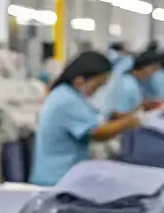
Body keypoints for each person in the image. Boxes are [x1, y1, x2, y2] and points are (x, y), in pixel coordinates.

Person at [30, 51, 142, 186]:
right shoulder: (67, 100)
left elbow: (95, 117)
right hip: (57, 179)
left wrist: (117, 117)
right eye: (98, 85)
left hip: (61, 174)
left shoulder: (67, 94)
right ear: (79, 81)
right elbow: (97, 133)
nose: (98, 90)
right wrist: (126, 123)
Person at [109, 49, 162, 115]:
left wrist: (143, 104)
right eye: (153, 69)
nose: (153, 74)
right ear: (143, 66)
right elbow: (116, 113)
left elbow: (131, 103)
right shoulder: (127, 85)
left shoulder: (131, 81)